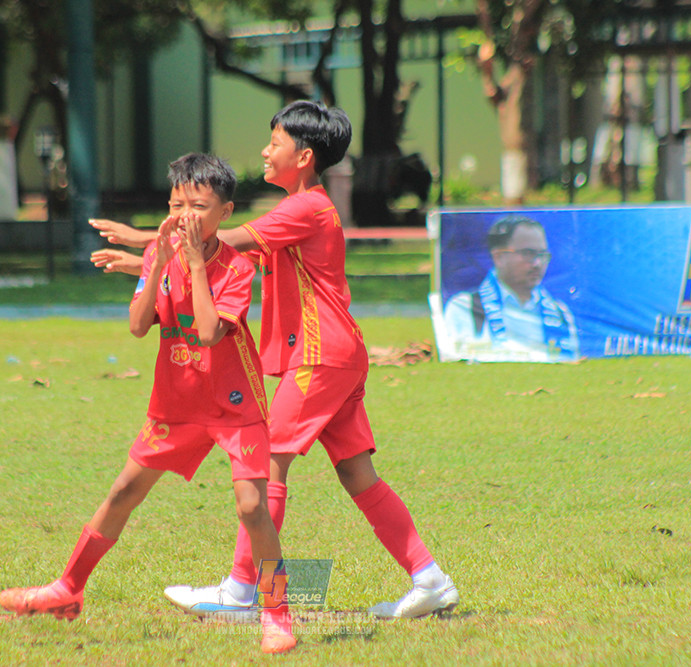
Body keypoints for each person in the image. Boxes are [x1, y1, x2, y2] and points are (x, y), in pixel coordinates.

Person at [90, 101, 459, 620]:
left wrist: (145, 237)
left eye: (275, 142)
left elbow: (218, 237)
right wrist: (146, 261)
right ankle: (430, 578)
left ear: (303, 156)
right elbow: (222, 258)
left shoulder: (306, 206)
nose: (265, 151)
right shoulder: (302, 209)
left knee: (266, 469)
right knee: (357, 474)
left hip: (319, 356)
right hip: (338, 354)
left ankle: (243, 591)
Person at [0, 153, 296, 655]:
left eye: (198, 205)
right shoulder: (167, 258)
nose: (184, 216)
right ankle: (67, 589)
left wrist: (195, 266)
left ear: (225, 211)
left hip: (234, 405)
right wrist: (156, 264)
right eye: (177, 204)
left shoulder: (239, 268)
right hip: (176, 404)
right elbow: (138, 325)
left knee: (252, 508)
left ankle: (277, 614)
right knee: (120, 494)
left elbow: (206, 332)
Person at [442, 215, 579, 362]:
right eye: (528, 254)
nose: (537, 263)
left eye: (542, 255)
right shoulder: (465, 307)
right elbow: (460, 357)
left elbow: (570, 358)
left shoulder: (560, 313)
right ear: (499, 257)